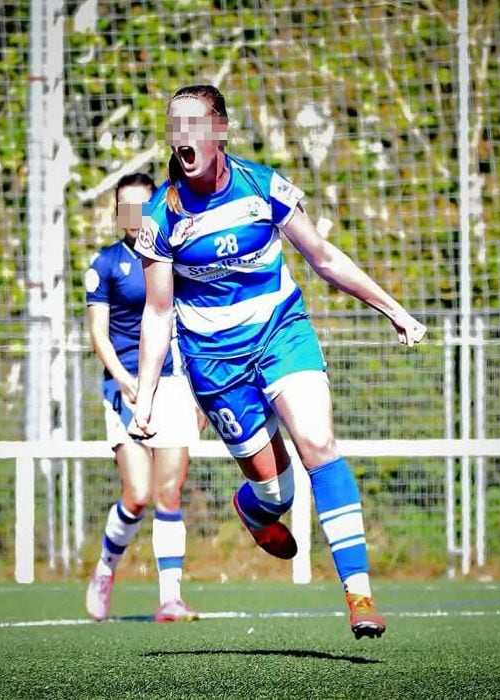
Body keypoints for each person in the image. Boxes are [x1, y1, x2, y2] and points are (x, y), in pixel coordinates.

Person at [131, 85, 427, 640]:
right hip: (215, 366)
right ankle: (256, 510)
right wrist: (145, 400)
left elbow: (323, 257)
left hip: (280, 334)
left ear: (220, 130)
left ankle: (359, 595)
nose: (183, 136)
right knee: (277, 495)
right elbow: (157, 311)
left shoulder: (262, 187)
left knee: (317, 443)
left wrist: (394, 309)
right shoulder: (159, 216)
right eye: (175, 126)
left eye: (195, 124)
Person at [84, 172, 201, 623]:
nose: (134, 216)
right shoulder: (106, 265)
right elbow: (99, 333)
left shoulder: (176, 257)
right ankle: (104, 569)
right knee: (137, 494)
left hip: (171, 384)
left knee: (168, 492)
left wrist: (197, 391)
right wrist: (124, 379)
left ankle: (170, 599)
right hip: (126, 387)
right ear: (117, 213)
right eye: (125, 207)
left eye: (141, 205)